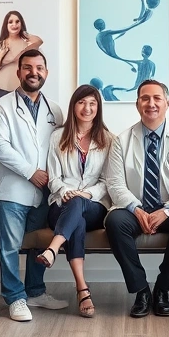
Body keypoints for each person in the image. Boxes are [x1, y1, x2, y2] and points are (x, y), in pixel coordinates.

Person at [104, 80, 169, 318]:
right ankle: (141, 291)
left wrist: (166, 210)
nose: (151, 104)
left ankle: (162, 289)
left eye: (157, 98)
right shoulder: (122, 140)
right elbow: (115, 183)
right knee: (115, 223)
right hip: (134, 208)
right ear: (137, 104)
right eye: (145, 98)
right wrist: (137, 210)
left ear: (167, 103)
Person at [0, 49, 66, 321]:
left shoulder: (54, 110)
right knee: (10, 246)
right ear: (19, 72)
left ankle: (35, 292)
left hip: (45, 191)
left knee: (37, 243)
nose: (34, 72)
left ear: (46, 72)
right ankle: (14, 297)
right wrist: (30, 172)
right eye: (28, 68)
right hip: (12, 189)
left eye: (39, 68)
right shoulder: (2, 106)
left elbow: (61, 147)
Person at [35, 84, 114, 317]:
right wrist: (65, 191)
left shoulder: (108, 139)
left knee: (79, 206)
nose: (87, 108)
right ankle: (82, 289)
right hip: (60, 204)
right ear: (73, 106)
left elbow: (107, 180)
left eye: (92, 103)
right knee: (75, 215)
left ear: (98, 108)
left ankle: (53, 248)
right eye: (82, 102)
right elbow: (54, 177)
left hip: (94, 207)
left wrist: (86, 194)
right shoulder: (58, 136)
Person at [0, 11, 44, 99]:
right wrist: (0, 58)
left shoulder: (27, 45)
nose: (14, 25)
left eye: (17, 22)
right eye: (10, 22)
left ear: (21, 23)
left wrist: (25, 34)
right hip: (1, 88)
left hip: (22, 89)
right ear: (6, 25)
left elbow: (39, 41)